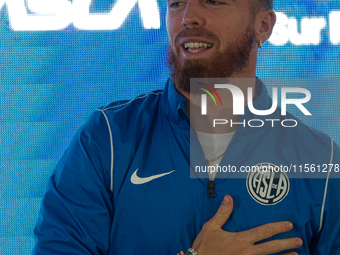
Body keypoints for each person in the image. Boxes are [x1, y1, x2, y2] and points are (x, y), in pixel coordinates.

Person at [33, 0, 340, 254]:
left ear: (263, 26)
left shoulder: (322, 162)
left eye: (213, 1)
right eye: (176, 3)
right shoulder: (108, 138)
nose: (188, 17)